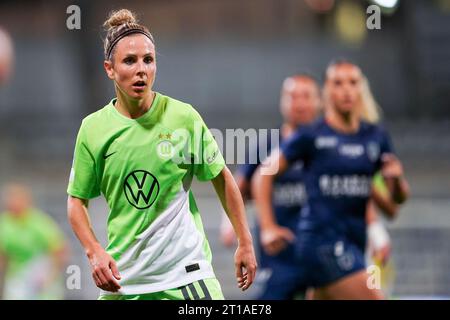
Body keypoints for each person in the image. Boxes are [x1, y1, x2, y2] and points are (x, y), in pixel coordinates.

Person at [66, 9, 256, 300]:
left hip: (186, 277)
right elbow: (76, 202)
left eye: (148, 60)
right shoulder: (93, 129)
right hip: (124, 281)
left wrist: (245, 240)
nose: (141, 69)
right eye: (129, 60)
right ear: (109, 69)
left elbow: (222, 178)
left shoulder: (183, 118)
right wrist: (94, 252)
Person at [252, 60, 410, 299]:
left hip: (354, 244)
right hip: (320, 244)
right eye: (338, 83)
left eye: (353, 83)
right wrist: (267, 227)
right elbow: (264, 174)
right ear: (327, 91)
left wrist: (396, 181)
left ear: (361, 89)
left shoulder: (375, 137)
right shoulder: (311, 135)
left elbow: (393, 206)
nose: (346, 89)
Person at [220, 74, 321, 299]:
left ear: (318, 101)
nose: (300, 103)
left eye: (306, 96)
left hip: (319, 248)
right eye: (293, 97)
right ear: (282, 102)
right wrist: (229, 224)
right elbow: (238, 185)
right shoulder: (267, 144)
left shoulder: (328, 144)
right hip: (278, 253)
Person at [0, 183, 68, 300]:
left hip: (41, 281)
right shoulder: (4, 224)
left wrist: (49, 277)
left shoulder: (39, 222)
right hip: (18, 280)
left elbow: (60, 250)